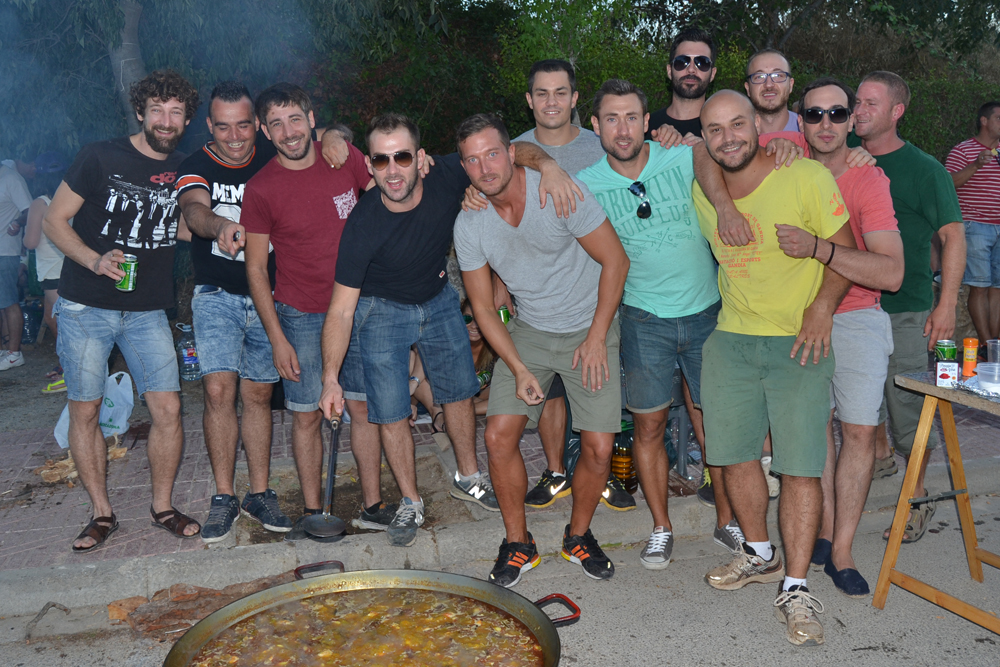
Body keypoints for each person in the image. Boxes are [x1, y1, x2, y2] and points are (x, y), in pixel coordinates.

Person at [323, 111, 578, 547]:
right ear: (369, 165)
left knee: (459, 389)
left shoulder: (445, 176)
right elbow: (341, 311)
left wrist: (550, 166)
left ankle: (469, 476)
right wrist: (331, 377)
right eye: (381, 160)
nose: (393, 170)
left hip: (438, 296)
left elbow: (513, 152)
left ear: (421, 157)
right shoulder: (362, 224)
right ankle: (410, 501)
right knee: (390, 410)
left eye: (402, 157)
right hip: (380, 309)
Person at [693, 90, 856, 646]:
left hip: (799, 342)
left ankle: (796, 586)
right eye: (715, 129)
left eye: (738, 124)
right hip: (731, 340)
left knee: (800, 467)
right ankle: (760, 553)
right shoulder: (702, 181)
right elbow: (697, 157)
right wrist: (724, 204)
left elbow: (844, 251)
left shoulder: (804, 175)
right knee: (733, 456)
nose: (728, 138)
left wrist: (822, 308)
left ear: (759, 126)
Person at [453, 113, 629, 587]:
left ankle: (579, 535)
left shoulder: (559, 192)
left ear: (512, 153)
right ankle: (519, 543)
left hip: (590, 326)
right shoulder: (469, 223)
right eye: (473, 160)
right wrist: (516, 366)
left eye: (493, 153)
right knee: (498, 436)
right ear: (464, 168)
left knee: (599, 448)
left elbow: (616, 261)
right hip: (530, 330)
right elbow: (483, 308)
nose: (485, 167)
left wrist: (597, 336)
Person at [175, 81, 352, 543]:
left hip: (271, 298)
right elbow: (193, 211)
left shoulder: (274, 150)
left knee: (257, 395)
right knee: (218, 390)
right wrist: (218, 224)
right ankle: (223, 496)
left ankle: (258, 493)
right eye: (223, 127)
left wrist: (338, 135)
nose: (234, 137)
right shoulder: (196, 165)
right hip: (217, 294)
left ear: (257, 125)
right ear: (209, 126)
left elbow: (321, 138)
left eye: (242, 125)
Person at [755, 78, 905, 597]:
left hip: (858, 317)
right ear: (800, 120)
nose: (825, 123)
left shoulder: (868, 179)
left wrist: (820, 248)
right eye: (814, 114)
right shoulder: (782, 156)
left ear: (850, 121)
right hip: (796, 318)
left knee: (859, 432)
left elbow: (891, 273)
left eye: (837, 114)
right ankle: (820, 529)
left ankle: (841, 550)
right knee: (813, 430)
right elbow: (716, 145)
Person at [42, 69, 202, 551]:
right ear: (140, 112)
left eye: (176, 112)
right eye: (157, 109)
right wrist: (94, 260)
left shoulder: (186, 167)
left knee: (168, 408)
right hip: (85, 305)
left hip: (148, 310)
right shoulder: (99, 155)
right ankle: (101, 513)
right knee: (86, 409)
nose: (165, 120)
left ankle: (163, 507)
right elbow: (54, 220)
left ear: (187, 119)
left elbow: (181, 227)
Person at [576, 79, 728, 570]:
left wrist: (700, 147)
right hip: (643, 319)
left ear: (648, 121)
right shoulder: (586, 185)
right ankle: (661, 527)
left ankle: (728, 518)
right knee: (649, 425)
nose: (623, 130)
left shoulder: (681, 157)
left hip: (706, 312)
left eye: (631, 118)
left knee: (716, 422)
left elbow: (721, 155)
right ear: (595, 126)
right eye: (611, 119)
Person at [239, 83, 386, 541]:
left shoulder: (342, 156)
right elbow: (256, 268)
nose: (288, 132)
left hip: (359, 307)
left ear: (311, 118)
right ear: (264, 131)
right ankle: (311, 511)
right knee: (305, 415)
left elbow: (389, 202)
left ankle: (374, 505)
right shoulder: (261, 189)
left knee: (362, 407)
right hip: (300, 314)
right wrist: (276, 337)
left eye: (295, 119)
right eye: (276, 124)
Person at [503, 58, 635, 510]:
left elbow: (640, 156)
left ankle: (602, 473)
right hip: (542, 299)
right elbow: (495, 203)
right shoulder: (512, 151)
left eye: (561, 92)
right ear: (529, 100)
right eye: (542, 93)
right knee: (552, 394)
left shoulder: (601, 146)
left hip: (600, 291)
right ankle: (557, 470)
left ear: (575, 98)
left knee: (602, 385)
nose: (551, 101)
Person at [851, 72, 966, 538]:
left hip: (907, 308)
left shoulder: (925, 169)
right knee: (860, 400)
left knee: (909, 411)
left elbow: (953, 236)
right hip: (852, 306)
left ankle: (918, 497)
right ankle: (879, 460)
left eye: (870, 103)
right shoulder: (843, 156)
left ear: (896, 111)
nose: (858, 110)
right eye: (857, 101)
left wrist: (946, 304)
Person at [946, 101, 1000, 349]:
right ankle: (987, 345)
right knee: (979, 286)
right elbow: (948, 183)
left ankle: (994, 345)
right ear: (984, 121)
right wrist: (976, 165)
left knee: (997, 288)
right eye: (999, 118)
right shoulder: (963, 150)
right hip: (975, 225)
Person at [22, 157, 70, 391]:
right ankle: (64, 364)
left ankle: (71, 373)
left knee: (64, 324)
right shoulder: (72, 198)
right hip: (71, 266)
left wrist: (22, 235)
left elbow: (31, 242)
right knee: (52, 318)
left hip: (53, 270)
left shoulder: (39, 203)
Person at [645, 27, 717, 144]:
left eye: (702, 63)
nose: (691, 69)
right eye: (682, 61)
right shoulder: (646, 128)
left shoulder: (723, 131)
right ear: (669, 71)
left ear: (712, 74)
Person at [0, 156, 32, 371]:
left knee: (9, 301)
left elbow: (29, 211)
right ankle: (3, 350)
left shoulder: (11, 178)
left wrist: (17, 223)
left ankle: (14, 353)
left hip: (5, 251)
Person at [744, 49, 799, 134]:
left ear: (790, 85)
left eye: (777, 75)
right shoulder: (735, 136)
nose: (769, 85)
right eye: (759, 77)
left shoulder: (810, 131)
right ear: (748, 88)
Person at [461, 298, 496, 417]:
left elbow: (499, 387)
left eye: (480, 320)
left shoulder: (495, 348)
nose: (474, 326)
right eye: (468, 319)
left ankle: (460, 412)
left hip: (480, 399)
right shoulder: (451, 344)